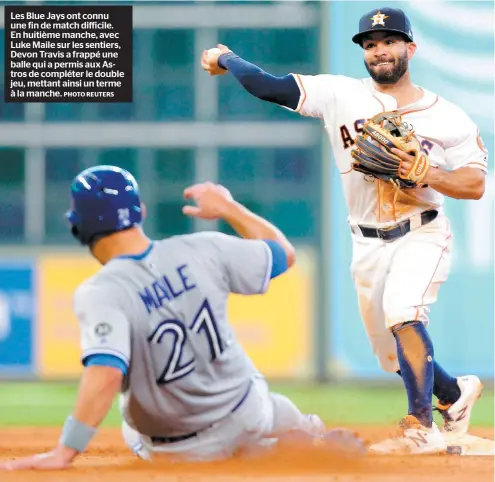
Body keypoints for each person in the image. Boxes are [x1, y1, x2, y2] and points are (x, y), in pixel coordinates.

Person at [201, 7, 487, 455]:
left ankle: (420, 426)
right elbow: (268, 86)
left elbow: (474, 184)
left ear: (410, 48)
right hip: (366, 240)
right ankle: (453, 394)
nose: (380, 50)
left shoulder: (447, 116)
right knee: (389, 352)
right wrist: (228, 58)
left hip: (422, 231)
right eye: (371, 44)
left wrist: (426, 171)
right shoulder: (339, 94)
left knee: (404, 313)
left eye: (389, 41)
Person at [0, 165, 366, 471]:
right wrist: (229, 209)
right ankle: (305, 435)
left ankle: (261, 454)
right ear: (140, 212)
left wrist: (66, 451)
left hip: (184, 447)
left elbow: (107, 373)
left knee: (132, 424)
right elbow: (283, 255)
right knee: (265, 403)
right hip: (249, 407)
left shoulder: (101, 291)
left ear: (78, 227)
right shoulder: (202, 248)